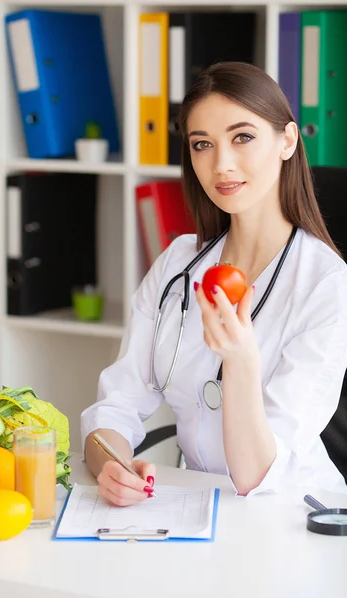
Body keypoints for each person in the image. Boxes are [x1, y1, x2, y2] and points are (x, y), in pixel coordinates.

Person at [80, 61, 347, 505]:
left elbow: (257, 475)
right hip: (201, 508)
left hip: (293, 514)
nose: (221, 164)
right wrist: (112, 463)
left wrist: (241, 361)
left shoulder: (327, 284)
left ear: (287, 140)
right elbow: (116, 406)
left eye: (242, 137)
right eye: (202, 144)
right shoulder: (178, 265)